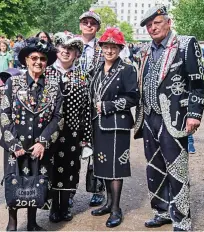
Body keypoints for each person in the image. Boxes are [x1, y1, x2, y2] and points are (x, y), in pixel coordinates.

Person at [134, 6, 204, 231]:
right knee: (154, 168)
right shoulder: (145, 50)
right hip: (149, 118)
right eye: (148, 25)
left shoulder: (186, 44)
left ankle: (182, 219)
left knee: (177, 169)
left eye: (156, 23)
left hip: (174, 118)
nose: (152, 28)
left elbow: (197, 84)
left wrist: (194, 114)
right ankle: (162, 211)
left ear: (169, 22)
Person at [0, 37, 61, 231]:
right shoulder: (13, 82)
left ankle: (33, 222)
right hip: (15, 144)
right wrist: (14, 144)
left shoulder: (53, 86)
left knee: (37, 181)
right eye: (34, 58)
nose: (38, 62)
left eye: (42, 59)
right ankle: (12, 222)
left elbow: (59, 118)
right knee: (14, 180)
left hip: (39, 146)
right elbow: (4, 114)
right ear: (26, 60)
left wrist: (43, 141)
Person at [89, 27, 139, 228]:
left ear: (120, 49)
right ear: (101, 47)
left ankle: (117, 209)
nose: (109, 50)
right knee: (102, 165)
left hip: (117, 125)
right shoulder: (96, 69)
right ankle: (108, 203)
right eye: (106, 46)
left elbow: (133, 97)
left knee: (116, 167)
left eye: (113, 47)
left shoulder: (127, 69)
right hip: (98, 124)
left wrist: (109, 106)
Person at [46, 32, 91, 223]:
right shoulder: (46, 72)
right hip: (49, 132)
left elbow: (87, 108)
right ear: (57, 50)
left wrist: (86, 137)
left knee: (70, 169)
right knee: (51, 168)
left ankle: (65, 206)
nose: (65, 51)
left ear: (76, 54)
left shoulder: (82, 76)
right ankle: (53, 207)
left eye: (70, 49)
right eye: (62, 48)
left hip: (73, 132)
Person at [78, 9, 105, 207]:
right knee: (70, 147)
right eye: (85, 22)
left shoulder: (103, 48)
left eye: (92, 23)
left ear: (97, 27)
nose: (89, 25)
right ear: (80, 25)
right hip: (72, 104)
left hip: (95, 104)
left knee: (96, 148)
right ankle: (67, 191)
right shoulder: (69, 44)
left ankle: (97, 190)